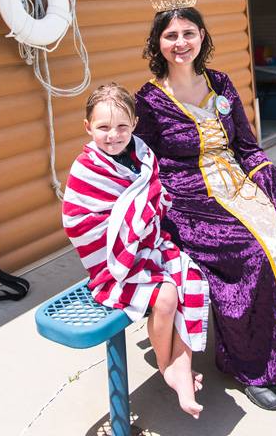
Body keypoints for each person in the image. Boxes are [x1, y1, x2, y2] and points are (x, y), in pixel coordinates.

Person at [135, 0, 276, 411]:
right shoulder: (149, 100)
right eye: (171, 35)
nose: (181, 42)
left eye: (189, 33)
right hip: (189, 202)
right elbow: (142, 161)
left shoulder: (220, 83)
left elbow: (247, 146)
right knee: (253, 254)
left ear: (202, 37)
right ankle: (253, 366)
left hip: (237, 186)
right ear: (158, 44)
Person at [62, 83, 209, 419]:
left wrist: (145, 216)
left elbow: (152, 196)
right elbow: (78, 222)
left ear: (135, 125)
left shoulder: (142, 155)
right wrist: (134, 223)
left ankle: (181, 363)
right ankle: (166, 366)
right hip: (113, 264)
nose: (113, 135)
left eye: (121, 126)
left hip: (148, 246)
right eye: (103, 127)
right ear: (88, 127)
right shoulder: (86, 169)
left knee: (191, 277)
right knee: (167, 296)